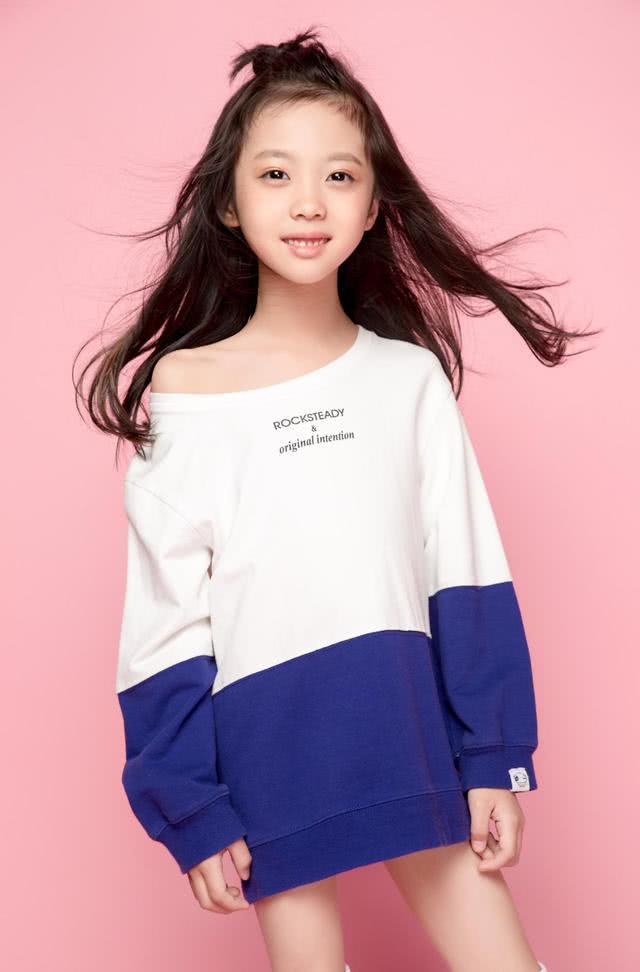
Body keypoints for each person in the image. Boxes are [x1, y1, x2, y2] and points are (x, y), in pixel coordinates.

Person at [76, 25, 597, 972]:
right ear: (228, 203)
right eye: (276, 174)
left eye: (340, 176)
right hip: (265, 760)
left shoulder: (408, 381)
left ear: (373, 207)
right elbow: (165, 627)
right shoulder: (187, 394)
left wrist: (492, 756)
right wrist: (191, 807)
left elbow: (466, 572)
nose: (309, 202)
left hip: (409, 738)